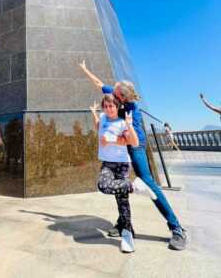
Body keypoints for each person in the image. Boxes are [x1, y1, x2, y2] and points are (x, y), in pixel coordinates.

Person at [79, 61, 187, 251]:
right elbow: (99, 84)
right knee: (118, 184)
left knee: (148, 182)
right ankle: (124, 224)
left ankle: (176, 228)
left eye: (118, 96)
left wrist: (110, 140)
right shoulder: (116, 94)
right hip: (119, 147)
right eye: (115, 93)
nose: (114, 97)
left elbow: (132, 141)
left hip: (135, 145)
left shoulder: (132, 109)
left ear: (126, 97)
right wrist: (85, 69)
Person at [92, 94, 156, 253]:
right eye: (105, 106)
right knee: (103, 185)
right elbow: (99, 126)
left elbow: (133, 142)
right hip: (107, 163)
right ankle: (134, 186)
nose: (108, 109)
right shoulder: (103, 117)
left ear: (117, 106)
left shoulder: (122, 122)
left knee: (122, 201)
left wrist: (126, 127)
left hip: (121, 164)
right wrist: (93, 112)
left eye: (111, 106)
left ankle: (127, 233)